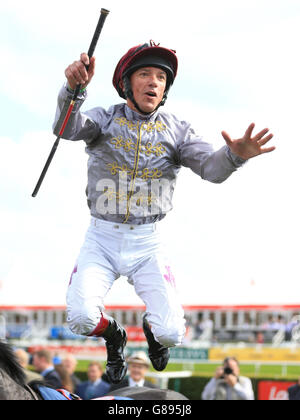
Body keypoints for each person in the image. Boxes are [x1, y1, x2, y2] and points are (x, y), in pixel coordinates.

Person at [54, 40, 275, 384]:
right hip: (101, 239)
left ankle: (152, 329)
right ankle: (115, 336)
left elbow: (213, 170)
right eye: (145, 74)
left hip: (148, 244)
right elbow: (65, 127)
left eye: (161, 77)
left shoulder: (178, 130)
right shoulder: (104, 118)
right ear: (127, 83)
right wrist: (73, 88)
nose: (154, 82)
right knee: (81, 318)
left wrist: (236, 155)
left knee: (172, 333)